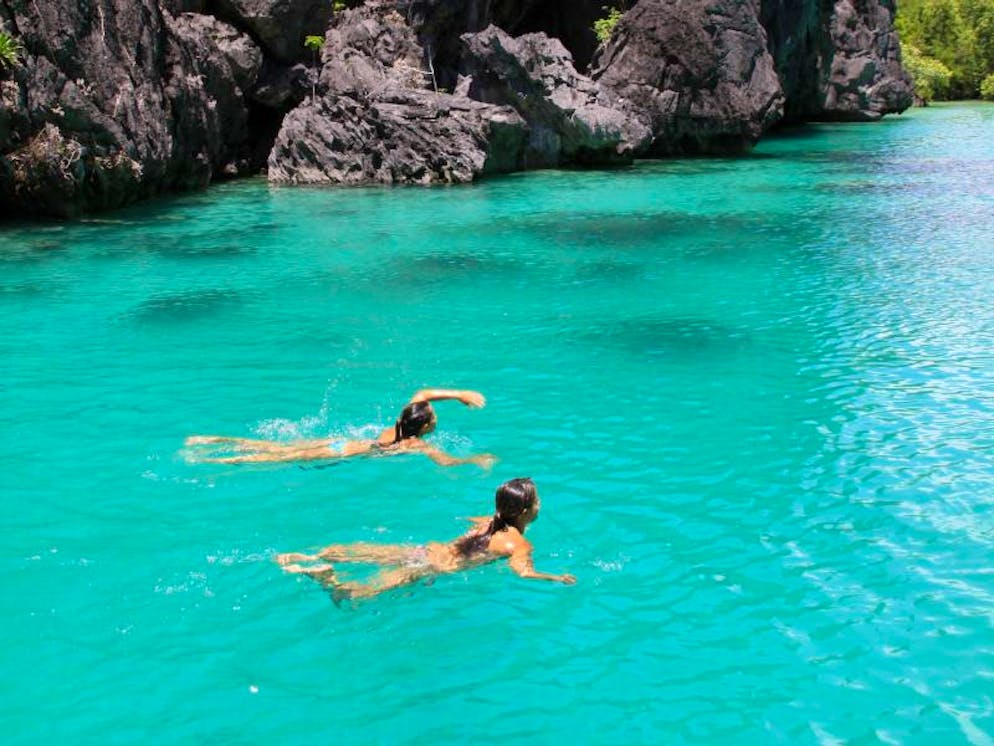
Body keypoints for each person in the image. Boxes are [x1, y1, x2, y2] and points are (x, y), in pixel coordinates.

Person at [276, 477, 575, 599]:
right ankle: (328, 579)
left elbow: (470, 521)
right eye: (537, 502)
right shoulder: (519, 543)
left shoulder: (489, 521)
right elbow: (523, 572)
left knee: (365, 553)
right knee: (357, 594)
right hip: (434, 567)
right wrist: (555, 578)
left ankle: (310, 555)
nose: (540, 506)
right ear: (525, 510)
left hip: (426, 551)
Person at [184, 388, 494, 468]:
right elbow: (445, 461)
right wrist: (474, 460)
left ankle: (210, 439)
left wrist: (458, 395)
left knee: (278, 448)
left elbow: (423, 393)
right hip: (347, 452)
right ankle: (218, 460)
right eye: (435, 418)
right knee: (277, 458)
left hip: (342, 441)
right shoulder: (414, 444)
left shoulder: (399, 420)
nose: (437, 419)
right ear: (424, 426)